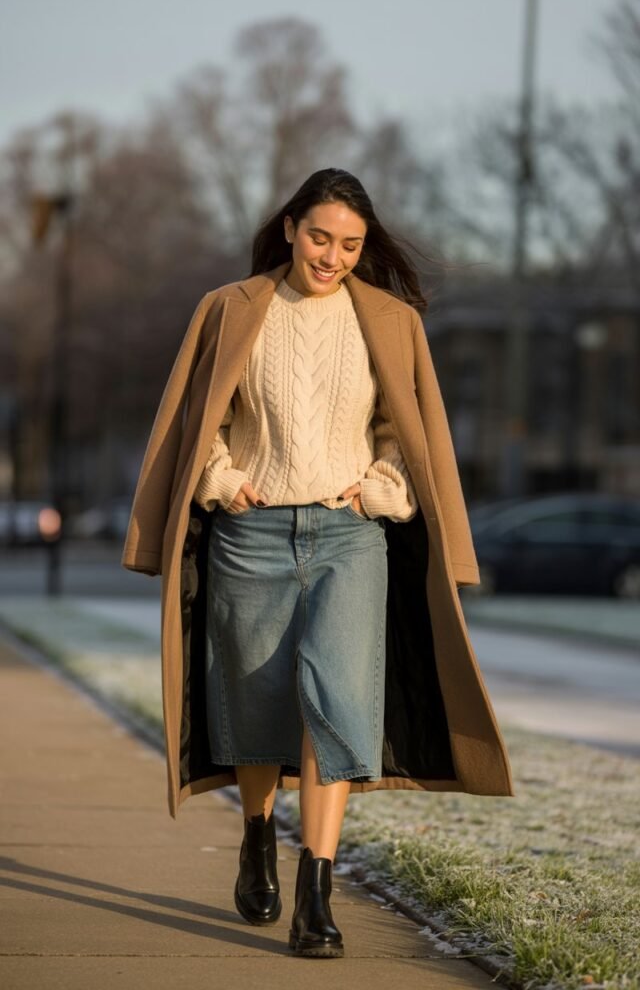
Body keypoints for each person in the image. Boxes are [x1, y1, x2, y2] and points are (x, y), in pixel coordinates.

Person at [121, 166, 515, 960]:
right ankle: (259, 834)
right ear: (292, 227)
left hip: (348, 538)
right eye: (320, 237)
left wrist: (379, 488)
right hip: (251, 536)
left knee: (336, 703)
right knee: (259, 708)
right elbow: (204, 421)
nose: (332, 257)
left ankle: (317, 891)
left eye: (350, 245)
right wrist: (223, 483)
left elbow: (408, 430)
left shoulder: (392, 320)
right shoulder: (230, 309)